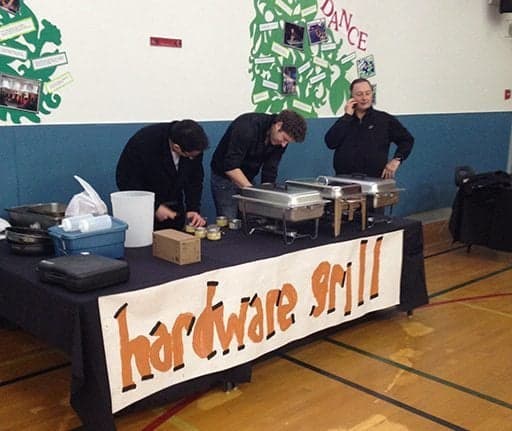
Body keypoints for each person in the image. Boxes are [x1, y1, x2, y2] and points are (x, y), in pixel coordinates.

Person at [210, 110, 307, 219]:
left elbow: (270, 170)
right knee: (229, 220)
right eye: (284, 139)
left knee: (253, 218)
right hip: (224, 176)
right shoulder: (247, 127)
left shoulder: (280, 141)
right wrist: (254, 193)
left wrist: (267, 195)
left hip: (247, 176)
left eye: (287, 142)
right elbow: (230, 167)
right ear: (278, 126)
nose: (284, 145)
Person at [116, 120, 209, 231]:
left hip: (174, 202)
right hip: (143, 206)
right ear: (176, 147)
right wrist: (154, 206)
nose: (193, 159)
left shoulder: (193, 144)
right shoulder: (144, 142)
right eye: (190, 156)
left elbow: (195, 179)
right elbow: (125, 180)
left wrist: (193, 208)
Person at [324, 78, 414, 179]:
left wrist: (397, 160)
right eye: (359, 94)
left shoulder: (384, 119)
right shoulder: (345, 121)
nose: (364, 98)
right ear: (351, 97)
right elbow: (330, 143)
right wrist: (347, 117)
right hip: (345, 181)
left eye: (368, 93)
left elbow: (407, 140)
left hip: (375, 180)